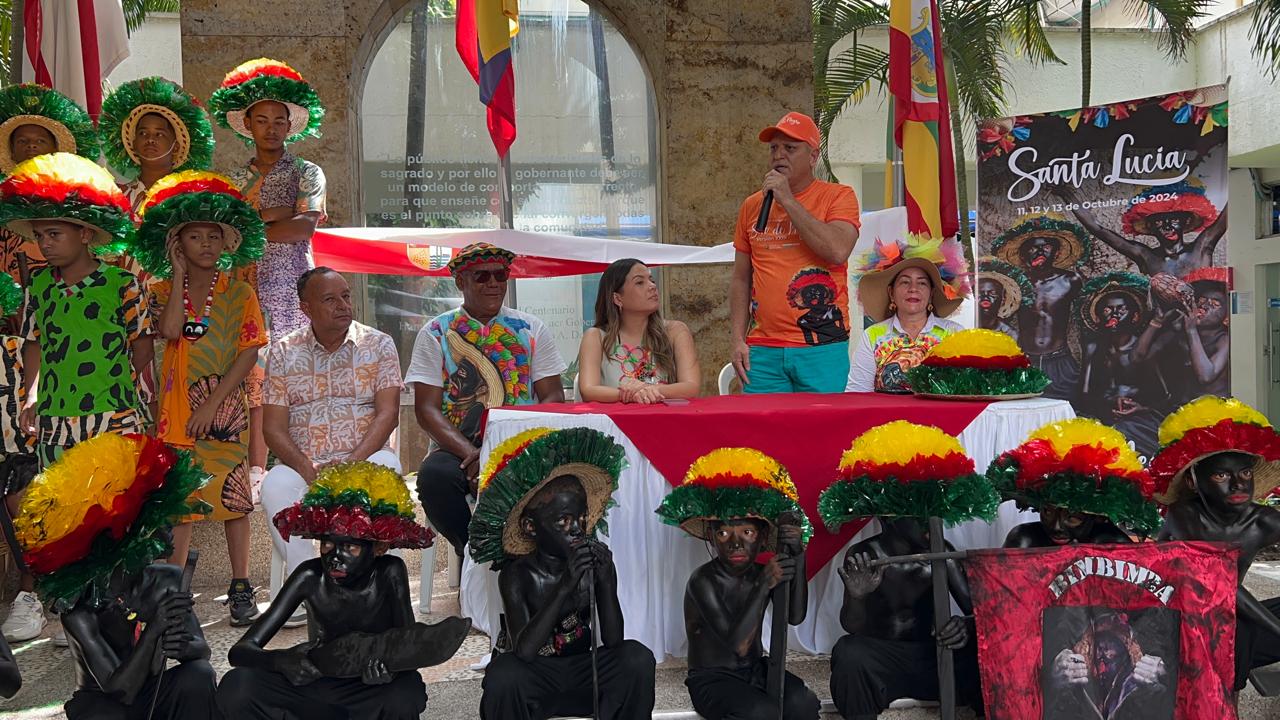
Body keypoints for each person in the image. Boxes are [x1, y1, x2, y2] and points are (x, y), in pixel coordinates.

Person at [3, 154, 153, 643]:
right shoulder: (39, 284)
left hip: (113, 414)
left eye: (55, 234)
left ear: (87, 233)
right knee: (65, 512)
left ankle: (122, 605)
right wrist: (30, 392)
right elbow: (33, 340)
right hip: (57, 418)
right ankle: (75, 608)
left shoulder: (121, 283)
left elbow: (141, 342)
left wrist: (139, 393)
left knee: (113, 512)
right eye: (40, 235)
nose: (45, 244)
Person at [219, 461, 469, 719]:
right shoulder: (310, 575)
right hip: (317, 682)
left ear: (378, 548)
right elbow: (240, 651)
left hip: (367, 688)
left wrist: (388, 671)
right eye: (328, 545)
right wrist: (279, 660)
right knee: (238, 685)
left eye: (351, 548)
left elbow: (406, 645)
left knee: (405, 693)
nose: (335, 557)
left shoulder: (390, 571)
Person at [128, 171, 268, 626]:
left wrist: (213, 405)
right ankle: (175, 593)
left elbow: (249, 352)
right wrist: (179, 277)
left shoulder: (241, 292)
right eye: (194, 236)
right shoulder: (162, 291)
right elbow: (169, 331)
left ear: (227, 242)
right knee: (180, 505)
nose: (205, 244)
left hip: (225, 409)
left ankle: (241, 585)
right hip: (174, 412)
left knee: (235, 501)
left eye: (214, 235)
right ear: (177, 244)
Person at [13, 432, 217, 719]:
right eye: (154, 524)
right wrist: (154, 632)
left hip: (150, 692)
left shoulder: (167, 579)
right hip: (105, 701)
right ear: (125, 539)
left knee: (198, 675)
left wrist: (181, 644)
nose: (169, 530)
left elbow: (201, 651)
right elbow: (119, 690)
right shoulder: (80, 611)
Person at [818, 421, 1000, 719]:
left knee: (988, 652)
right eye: (920, 517)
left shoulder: (944, 554)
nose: (932, 523)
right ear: (890, 517)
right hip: (885, 660)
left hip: (934, 656)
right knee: (848, 652)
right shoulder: (866, 554)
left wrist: (965, 626)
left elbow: (983, 615)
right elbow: (853, 626)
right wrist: (857, 596)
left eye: (935, 513)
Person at [471, 426, 656, 719]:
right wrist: (566, 585)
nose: (576, 529)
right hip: (538, 673)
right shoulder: (517, 575)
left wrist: (607, 580)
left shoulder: (593, 565)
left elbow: (614, 641)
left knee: (637, 658)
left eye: (581, 518)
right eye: (563, 521)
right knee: (503, 674)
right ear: (531, 527)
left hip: (583, 669)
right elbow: (525, 652)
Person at [259, 266, 403, 627]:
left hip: (366, 456)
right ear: (305, 308)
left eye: (346, 296)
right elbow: (273, 429)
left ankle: (378, 588)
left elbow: (388, 415)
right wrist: (308, 468)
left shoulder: (379, 343)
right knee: (275, 486)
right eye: (329, 299)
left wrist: (351, 465)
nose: (343, 305)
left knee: (390, 471)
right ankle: (311, 588)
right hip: (305, 462)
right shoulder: (283, 351)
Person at [209, 57, 328, 488]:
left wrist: (252, 220)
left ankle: (304, 461)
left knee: (296, 371)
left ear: (292, 125)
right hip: (241, 287)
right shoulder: (229, 177)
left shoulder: (308, 172)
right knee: (251, 375)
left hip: (294, 284)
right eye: (262, 119)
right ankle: (255, 470)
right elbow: (225, 233)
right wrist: (272, 214)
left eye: (280, 120)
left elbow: (302, 227)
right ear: (247, 123)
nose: (272, 128)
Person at [407, 242, 566, 556]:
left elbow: (553, 396)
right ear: (460, 282)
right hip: (458, 448)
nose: (493, 283)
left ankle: (539, 556)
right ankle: (476, 553)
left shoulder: (531, 329)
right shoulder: (436, 332)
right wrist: (471, 454)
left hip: (523, 441)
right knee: (434, 478)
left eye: (500, 275)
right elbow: (426, 410)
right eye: (482, 277)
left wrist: (514, 445)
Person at [656, 447, 819, 720]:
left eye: (747, 532)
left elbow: (794, 616)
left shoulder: (763, 571)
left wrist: (799, 558)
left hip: (756, 669)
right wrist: (764, 584)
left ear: (762, 535)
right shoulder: (703, 581)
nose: (735, 543)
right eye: (723, 533)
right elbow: (739, 645)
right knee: (761, 712)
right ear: (711, 536)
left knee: (803, 703)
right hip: (712, 678)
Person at [1151, 396, 1280, 694]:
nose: (1238, 485)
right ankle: (1224, 698)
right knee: (1238, 624)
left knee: (1238, 622)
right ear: (1195, 483)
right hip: (1176, 624)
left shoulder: (1262, 521)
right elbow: (1220, 585)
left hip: (1231, 618)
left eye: (1245, 473)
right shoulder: (1184, 515)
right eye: (1222, 475)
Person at [730, 111, 861, 394]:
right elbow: (741, 278)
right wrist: (737, 339)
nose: (779, 155)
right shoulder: (752, 206)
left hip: (822, 346)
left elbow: (837, 251)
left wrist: (787, 200)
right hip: (763, 349)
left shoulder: (839, 196)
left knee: (823, 434)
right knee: (761, 436)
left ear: (813, 157)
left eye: (790, 148)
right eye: (774, 148)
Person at [985, 417, 1160, 548]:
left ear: (1098, 518)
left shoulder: (1110, 545)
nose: (1056, 527)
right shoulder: (1025, 541)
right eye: (1047, 512)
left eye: (1072, 517)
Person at [0, 83, 100, 282]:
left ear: (56, 149)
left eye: (40, 141)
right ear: (11, 150)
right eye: (22, 141)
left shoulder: (78, 195)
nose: (31, 146)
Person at [845, 236, 968, 393]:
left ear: (931, 294)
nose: (913, 288)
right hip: (886, 417)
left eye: (922, 283)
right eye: (905, 282)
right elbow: (857, 393)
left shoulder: (954, 334)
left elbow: (966, 391)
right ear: (891, 292)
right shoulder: (873, 336)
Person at [991, 214, 1089, 400]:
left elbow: (1084, 323)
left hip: (1061, 360)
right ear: (1023, 254)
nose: (1040, 251)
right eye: (1033, 248)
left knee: (1065, 415)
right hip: (1026, 360)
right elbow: (999, 318)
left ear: (1057, 252)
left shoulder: (1071, 280)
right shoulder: (1016, 284)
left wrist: (1086, 370)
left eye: (1046, 247)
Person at [577, 258, 700, 403]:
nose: (652, 286)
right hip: (614, 422)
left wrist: (648, 389)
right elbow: (589, 390)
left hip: (665, 421)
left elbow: (691, 387)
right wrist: (634, 394)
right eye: (639, 282)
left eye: (651, 280)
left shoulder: (675, 331)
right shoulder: (596, 336)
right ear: (617, 298)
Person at [1059, 180, 1226, 279]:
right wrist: (1068, 197)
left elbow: (1225, 218)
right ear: (1151, 227)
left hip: (1205, 334)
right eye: (1160, 222)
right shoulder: (1145, 256)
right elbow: (1098, 229)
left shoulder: (1202, 248)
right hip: (1164, 332)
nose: (1167, 226)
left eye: (1174, 220)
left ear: (1186, 221)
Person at [1076, 272, 1164, 459]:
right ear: (1098, 318)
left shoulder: (1146, 351)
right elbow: (1083, 394)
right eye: (1107, 310)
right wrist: (1106, 407)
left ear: (1135, 316)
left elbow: (1165, 397)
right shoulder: (1094, 348)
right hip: (1103, 415)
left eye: (1121, 309)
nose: (1114, 315)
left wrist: (1142, 408)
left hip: (1140, 420)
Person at [98, 76, 216, 213]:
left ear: (176, 146)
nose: (150, 139)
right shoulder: (116, 197)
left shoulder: (192, 199)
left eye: (159, 134)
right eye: (143, 133)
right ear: (133, 144)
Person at [1134, 266, 1229, 404]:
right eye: (1201, 301)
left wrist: (1191, 330)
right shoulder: (1179, 333)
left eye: (1215, 305)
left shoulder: (1224, 339)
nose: (1205, 306)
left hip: (1213, 411)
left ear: (1226, 317)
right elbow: (1138, 358)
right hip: (1183, 408)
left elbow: (1206, 376)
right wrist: (1157, 321)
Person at [976, 256, 1031, 341]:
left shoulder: (1010, 335)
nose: (985, 297)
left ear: (1003, 299)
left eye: (992, 294)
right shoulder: (963, 328)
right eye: (979, 293)